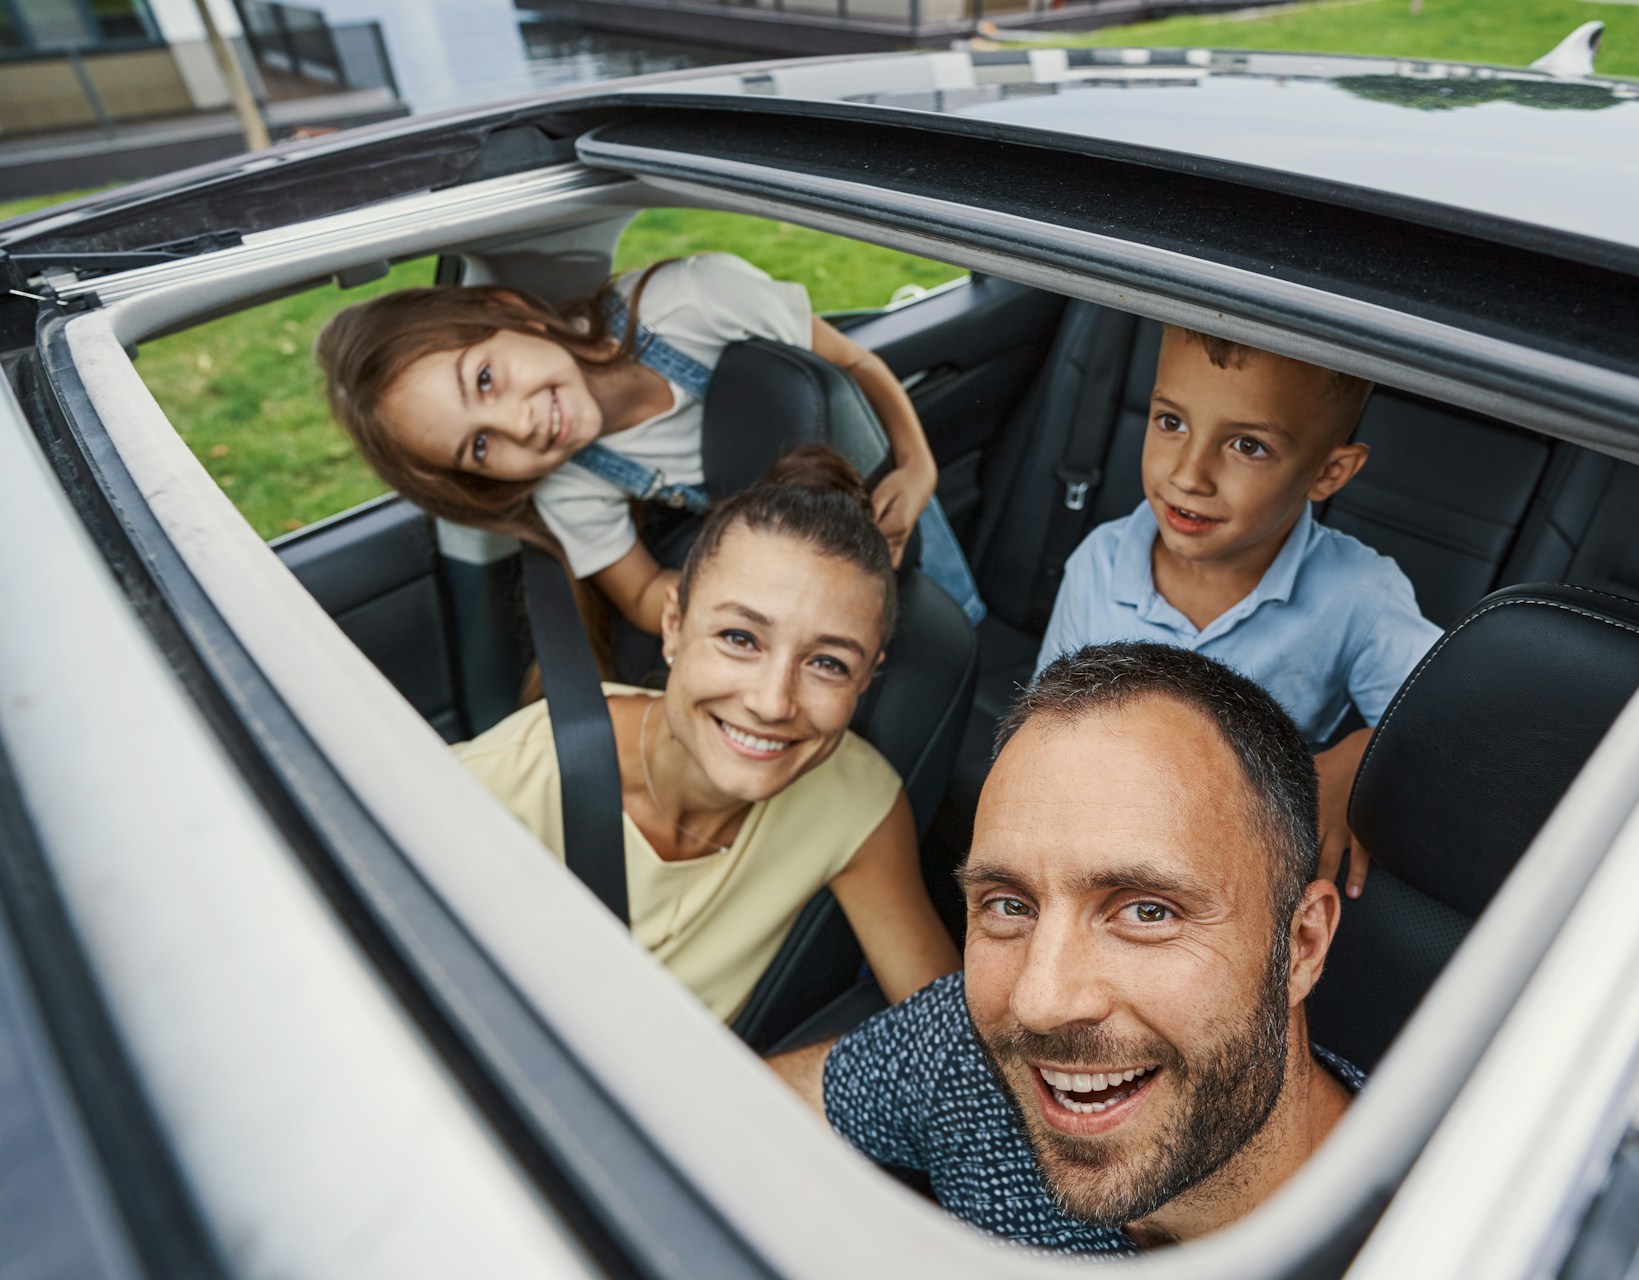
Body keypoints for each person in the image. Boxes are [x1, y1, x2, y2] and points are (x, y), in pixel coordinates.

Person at [770, 642, 1356, 1254]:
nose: (1039, 1002)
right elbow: (746, 1108)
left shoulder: (1433, 1235)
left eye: (1146, 911)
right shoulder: (967, 1050)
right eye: (1009, 905)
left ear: (1302, 946)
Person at [454, 447, 959, 1023]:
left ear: (867, 679)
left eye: (828, 664)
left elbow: (954, 1043)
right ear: (674, 626)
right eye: (740, 639)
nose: (772, 703)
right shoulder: (513, 772)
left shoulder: (860, 802)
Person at [315, 251, 984, 639]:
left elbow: (857, 367)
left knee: (955, 619)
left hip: (885, 496)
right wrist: (747, 609)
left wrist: (918, 466)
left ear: (509, 312)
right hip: (794, 560)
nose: (517, 425)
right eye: (480, 447)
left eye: (486, 380)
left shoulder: (694, 303)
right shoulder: (573, 478)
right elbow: (638, 595)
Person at [1033, 327, 1440, 896]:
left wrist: (1360, 754)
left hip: (1233, 874)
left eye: (1247, 445)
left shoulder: (1360, 594)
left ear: (1329, 473)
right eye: (1171, 422)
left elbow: (1451, 725)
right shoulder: (1099, 562)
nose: (1188, 475)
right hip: (1084, 842)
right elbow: (1043, 729)